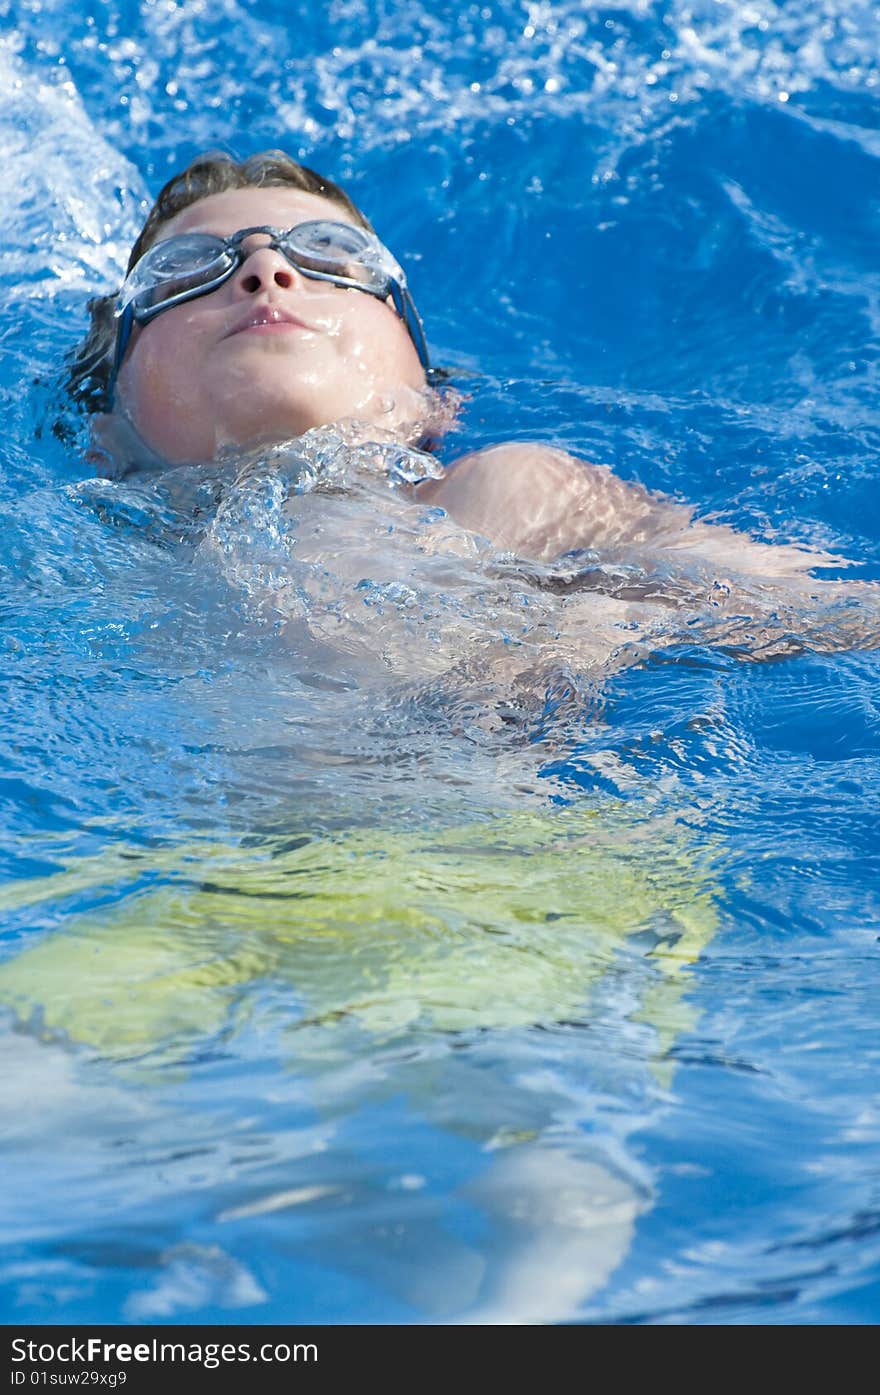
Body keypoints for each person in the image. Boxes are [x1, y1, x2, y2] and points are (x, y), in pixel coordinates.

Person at [69, 148, 868, 609]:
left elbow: (822, 613)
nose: (267, 268)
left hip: (514, 881)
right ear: (105, 434)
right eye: (185, 272)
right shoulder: (65, 576)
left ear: (435, 398)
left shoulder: (506, 500)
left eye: (330, 257)